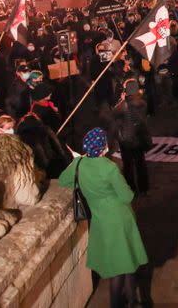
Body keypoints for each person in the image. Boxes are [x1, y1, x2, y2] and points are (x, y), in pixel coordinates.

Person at [59, 128, 149, 308]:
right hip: (119, 218)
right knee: (121, 267)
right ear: (103, 147)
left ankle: (133, 301)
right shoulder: (109, 167)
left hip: (100, 219)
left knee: (124, 262)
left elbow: (63, 181)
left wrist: (78, 161)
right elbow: (127, 196)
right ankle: (121, 303)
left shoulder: (79, 164)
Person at [112, 78, 150, 195]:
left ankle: (131, 189)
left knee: (128, 166)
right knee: (141, 163)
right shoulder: (143, 103)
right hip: (139, 137)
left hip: (127, 140)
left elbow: (114, 113)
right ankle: (144, 189)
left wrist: (122, 100)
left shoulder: (124, 105)